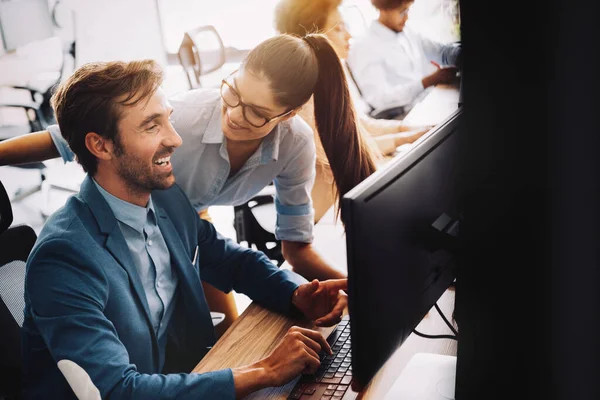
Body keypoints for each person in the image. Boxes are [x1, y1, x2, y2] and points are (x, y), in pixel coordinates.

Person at [0, 32, 375, 332]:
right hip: (154, 221)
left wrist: (346, 291)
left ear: (288, 114)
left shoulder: (294, 143)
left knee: (219, 334)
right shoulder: (186, 116)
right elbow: (69, 136)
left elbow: (280, 253)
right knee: (192, 334)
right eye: (233, 93)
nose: (234, 115)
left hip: (186, 225)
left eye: (258, 114)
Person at [22, 59, 349, 399]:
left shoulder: (166, 200)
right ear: (100, 146)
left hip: (181, 375)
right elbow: (119, 391)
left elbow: (229, 261)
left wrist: (295, 294)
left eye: (170, 120)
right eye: (152, 127)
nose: (176, 140)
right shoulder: (64, 257)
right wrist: (263, 371)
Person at [274, 0, 432, 221]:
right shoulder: (300, 92)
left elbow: (359, 123)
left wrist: (405, 128)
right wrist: (403, 138)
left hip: (345, 191)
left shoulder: (332, 70)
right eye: (338, 28)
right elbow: (340, 150)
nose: (348, 35)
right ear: (313, 36)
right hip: (327, 210)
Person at [347, 0, 461, 116]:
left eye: (408, 10)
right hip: (406, 115)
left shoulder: (408, 32)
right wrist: (427, 81)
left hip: (428, 100)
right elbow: (379, 99)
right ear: (384, 10)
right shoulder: (365, 46)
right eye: (402, 12)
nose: (406, 17)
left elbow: (441, 52)